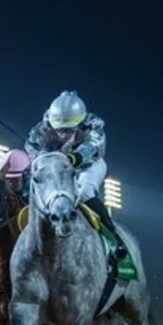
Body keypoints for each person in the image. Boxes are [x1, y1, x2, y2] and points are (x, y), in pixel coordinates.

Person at [24, 91, 127, 259]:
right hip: (59, 164)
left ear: (80, 124)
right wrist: (41, 158)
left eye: (69, 131)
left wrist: (75, 157)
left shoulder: (93, 125)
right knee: (35, 189)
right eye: (60, 131)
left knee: (85, 191)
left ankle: (115, 238)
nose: (63, 135)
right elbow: (30, 144)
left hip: (89, 164)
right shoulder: (45, 125)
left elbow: (94, 145)